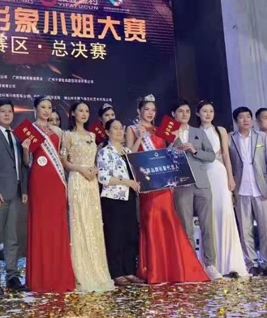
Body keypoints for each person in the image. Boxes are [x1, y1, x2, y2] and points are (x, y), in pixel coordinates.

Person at [125, 95, 209, 284]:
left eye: (153, 110)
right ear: (139, 111)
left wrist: (176, 144)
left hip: (164, 185)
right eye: (146, 109)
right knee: (151, 220)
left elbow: (169, 155)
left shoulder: (161, 130)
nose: (150, 113)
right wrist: (140, 138)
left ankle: (174, 267)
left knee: (168, 220)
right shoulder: (131, 129)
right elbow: (129, 155)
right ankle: (155, 269)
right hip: (147, 185)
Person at [61, 101, 114, 292]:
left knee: (94, 223)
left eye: (86, 111)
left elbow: (96, 159)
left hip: (92, 181)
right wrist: (81, 169)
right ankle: (81, 271)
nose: (83, 114)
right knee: (79, 222)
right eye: (80, 111)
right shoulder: (67, 135)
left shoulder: (92, 135)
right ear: (73, 114)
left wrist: (95, 169)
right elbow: (64, 161)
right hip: (77, 179)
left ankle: (97, 270)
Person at [27, 96, 75, 293]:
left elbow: (62, 157)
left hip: (56, 180)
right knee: (41, 225)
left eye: (49, 107)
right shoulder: (29, 129)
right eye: (43, 107)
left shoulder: (58, 131)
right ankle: (41, 278)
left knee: (57, 225)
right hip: (39, 179)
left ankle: (58, 275)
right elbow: (26, 160)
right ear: (35, 109)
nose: (46, 110)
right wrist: (25, 149)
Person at [170, 100, 221, 281]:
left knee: (207, 226)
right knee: (186, 227)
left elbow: (211, 155)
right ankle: (192, 266)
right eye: (180, 111)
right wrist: (172, 144)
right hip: (181, 184)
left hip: (202, 183)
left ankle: (210, 265)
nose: (184, 114)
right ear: (173, 114)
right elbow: (162, 156)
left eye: (187, 111)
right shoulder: (168, 133)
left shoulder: (198, 132)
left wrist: (195, 150)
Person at [196, 101, 248, 278]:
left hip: (219, 173)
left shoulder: (220, 130)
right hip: (203, 175)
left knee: (225, 213)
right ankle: (212, 264)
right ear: (198, 113)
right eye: (204, 111)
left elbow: (226, 154)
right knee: (208, 217)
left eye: (211, 111)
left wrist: (230, 178)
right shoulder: (194, 132)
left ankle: (231, 263)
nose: (208, 114)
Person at [0, 99, 29, 296]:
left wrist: (24, 190)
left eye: (10, 111)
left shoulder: (17, 136)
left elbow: (21, 166)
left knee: (12, 238)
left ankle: (12, 276)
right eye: (2, 111)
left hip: (16, 193)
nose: (7, 114)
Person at [97, 119, 143, 286]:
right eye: (114, 128)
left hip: (128, 197)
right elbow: (103, 178)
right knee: (115, 236)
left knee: (129, 234)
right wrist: (127, 182)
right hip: (113, 199)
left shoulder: (126, 151)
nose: (119, 131)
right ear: (107, 132)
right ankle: (116, 272)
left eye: (120, 128)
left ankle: (129, 270)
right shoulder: (105, 152)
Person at [229, 107, 267, 276]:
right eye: (241, 117)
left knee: (266, 228)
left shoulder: (261, 137)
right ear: (236, 121)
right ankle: (251, 263)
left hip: (261, 188)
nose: (246, 120)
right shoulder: (231, 139)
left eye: (248, 116)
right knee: (245, 229)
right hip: (241, 189)